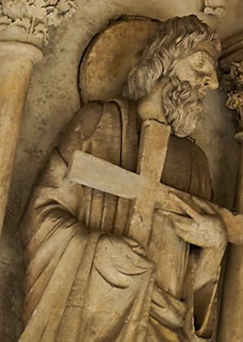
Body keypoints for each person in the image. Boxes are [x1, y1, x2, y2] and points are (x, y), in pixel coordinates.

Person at [21, 18, 227, 342]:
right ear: (165, 59)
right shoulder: (99, 122)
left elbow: (192, 298)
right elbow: (40, 216)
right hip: (92, 316)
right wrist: (98, 250)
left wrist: (215, 245)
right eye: (200, 63)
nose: (211, 82)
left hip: (163, 327)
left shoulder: (195, 163)